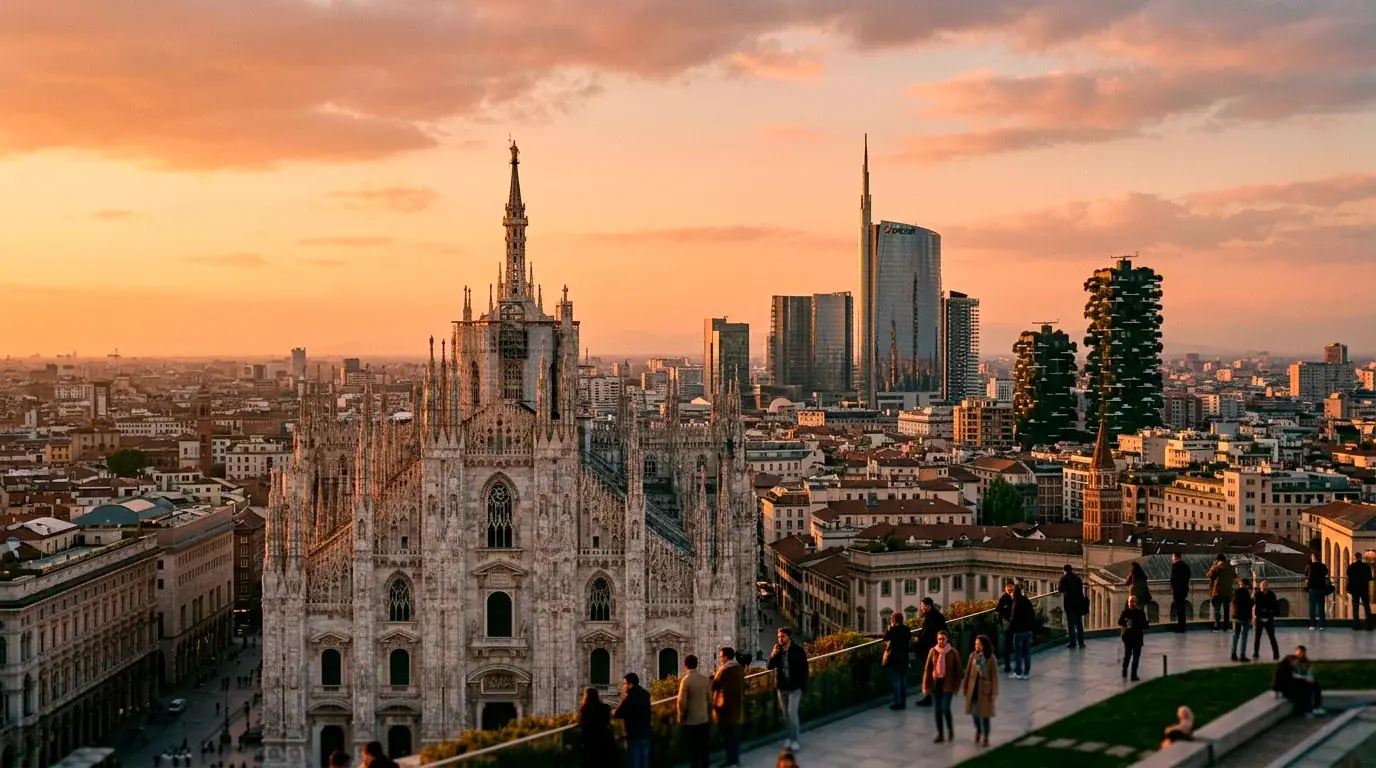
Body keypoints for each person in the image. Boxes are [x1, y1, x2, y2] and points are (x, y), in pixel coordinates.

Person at [767, 627, 809, 752]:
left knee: (792, 714)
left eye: (783, 636)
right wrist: (773, 654)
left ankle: (795, 740)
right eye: (779, 637)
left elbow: (804, 670)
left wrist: (802, 686)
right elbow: (769, 666)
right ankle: (789, 739)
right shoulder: (778, 652)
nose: (780, 639)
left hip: (795, 688)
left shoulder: (798, 651)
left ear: (789, 637)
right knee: (786, 716)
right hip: (782, 688)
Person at [921, 630, 963, 744]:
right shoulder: (933, 651)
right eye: (939, 639)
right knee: (937, 711)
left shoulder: (953, 652)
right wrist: (926, 686)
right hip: (936, 684)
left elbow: (958, 671)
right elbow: (927, 669)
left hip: (948, 685)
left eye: (943, 639)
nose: (941, 641)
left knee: (945, 708)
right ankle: (940, 734)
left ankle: (950, 729)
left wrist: (956, 686)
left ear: (947, 639)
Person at [712, 646, 746, 768]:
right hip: (737, 707)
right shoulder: (740, 668)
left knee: (727, 736)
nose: (720, 659)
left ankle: (731, 761)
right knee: (733, 736)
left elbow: (714, 686)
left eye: (721, 657)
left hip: (725, 708)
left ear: (726, 657)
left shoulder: (724, 670)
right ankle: (734, 760)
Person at [963, 634, 999, 747]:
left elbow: (994, 676)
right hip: (973, 688)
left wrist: (994, 692)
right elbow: (968, 672)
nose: (977, 646)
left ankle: (986, 737)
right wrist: (965, 687)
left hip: (985, 690)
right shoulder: (973, 656)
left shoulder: (991, 658)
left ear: (984, 645)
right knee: (974, 713)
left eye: (979, 644)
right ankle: (979, 729)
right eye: (976, 644)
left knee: (985, 715)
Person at [677, 654, 712, 768]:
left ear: (685, 665)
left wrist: (680, 716)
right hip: (704, 718)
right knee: (704, 748)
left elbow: (682, 702)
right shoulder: (704, 679)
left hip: (691, 721)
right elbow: (710, 699)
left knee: (693, 750)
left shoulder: (686, 681)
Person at [1274, 645, 1327, 716]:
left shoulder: (1303, 662)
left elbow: (1302, 673)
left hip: (1293, 683)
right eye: (1299, 652)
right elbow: (1292, 677)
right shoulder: (1286, 666)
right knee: (1304, 691)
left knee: (1315, 686)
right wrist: (1305, 679)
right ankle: (1307, 710)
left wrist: (1308, 678)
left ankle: (1316, 707)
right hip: (1286, 688)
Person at [613, 672, 652, 768]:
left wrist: (613, 712)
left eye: (624, 684)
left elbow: (618, 714)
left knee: (634, 762)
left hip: (634, 735)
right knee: (644, 762)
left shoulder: (630, 697)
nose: (623, 686)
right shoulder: (645, 694)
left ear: (630, 685)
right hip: (646, 733)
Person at [913, 598, 947, 705]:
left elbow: (926, 633)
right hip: (937, 648)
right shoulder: (938, 616)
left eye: (922, 606)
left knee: (929, 673)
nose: (921, 608)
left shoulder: (930, 617)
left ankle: (928, 698)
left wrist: (917, 640)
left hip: (929, 649)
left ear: (928, 606)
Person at [578, 687, 615, 768]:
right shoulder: (605, 707)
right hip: (604, 741)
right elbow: (608, 721)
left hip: (590, 742)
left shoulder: (584, 710)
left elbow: (583, 725)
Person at [882, 610, 912, 709]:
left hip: (894, 658)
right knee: (903, 681)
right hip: (904, 657)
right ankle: (903, 702)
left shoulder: (893, 629)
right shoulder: (907, 629)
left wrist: (889, 628)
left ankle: (897, 703)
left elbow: (885, 638)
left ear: (893, 620)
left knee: (896, 681)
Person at [1118, 595, 1149, 682]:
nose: (1132, 604)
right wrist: (1126, 623)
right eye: (1130, 602)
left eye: (1133, 602)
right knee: (1130, 655)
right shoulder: (1126, 612)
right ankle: (1127, 672)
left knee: (1134, 656)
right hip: (1130, 637)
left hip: (1135, 637)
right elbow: (1120, 622)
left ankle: (1132, 674)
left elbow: (1145, 625)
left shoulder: (1138, 613)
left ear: (1136, 603)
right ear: (1128, 603)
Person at [1009, 585, 1036, 681]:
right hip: (1028, 630)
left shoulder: (1016, 602)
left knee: (1018, 653)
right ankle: (1026, 672)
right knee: (1027, 652)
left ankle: (1018, 672)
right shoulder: (1026, 600)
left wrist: (1010, 629)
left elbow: (1013, 617)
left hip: (1019, 631)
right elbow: (1032, 613)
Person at [1058, 565, 1086, 649]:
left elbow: (1060, 589)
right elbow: (1081, 591)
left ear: (1065, 570)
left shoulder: (1064, 578)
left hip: (1069, 604)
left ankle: (1073, 643)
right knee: (1079, 624)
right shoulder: (1078, 578)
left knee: (1071, 625)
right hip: (1078, 604)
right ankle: (1081, 642)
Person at [1253, 579, 1281, 661]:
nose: (1264, 589)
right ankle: (1256, 654)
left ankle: (1276, 655)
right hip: (1260, 618)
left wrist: (1268, 611)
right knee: (1257, 638)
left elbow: (1273, 606)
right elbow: (1257, 605)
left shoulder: (1271, 595)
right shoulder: (1257, 594)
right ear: (1260, 587)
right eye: (1263, 587)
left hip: (1269, 618)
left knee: (1272, 637)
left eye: (1266, 587)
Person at [1207, 554, 1236, 631]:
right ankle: (1226, 626)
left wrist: (1213, 567)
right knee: (1226, 610)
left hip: (1217, 591)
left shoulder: (1217, 567)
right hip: (1227, 590)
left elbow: (1210, 575)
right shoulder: (1230, 567)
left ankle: (1217, 625)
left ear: (1218, 560)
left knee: (1217, 609)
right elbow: (1234, 576)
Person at [1346, 553, 1372, 630]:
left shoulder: (1351, 567)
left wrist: (1348, 589)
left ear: (1355, 558)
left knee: (1355, 607)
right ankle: (1369, 625)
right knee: (1366, 606)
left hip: (1354, 589)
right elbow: (1369, 578)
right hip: (1364, 588)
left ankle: (1356, 625)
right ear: (1361, 557)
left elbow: (1349, 578)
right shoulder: (1366, 567)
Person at [1230, 578, 1253, 662]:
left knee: (1235, 636)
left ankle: (1233, 654)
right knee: (1244, 637)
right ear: (1245, 585)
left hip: (1236, 616)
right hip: (1243, 617)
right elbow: (1249, 604)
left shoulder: (1236, 592)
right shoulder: (1245, 593)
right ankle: (1242, 655)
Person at [995, 582, 1016, 673]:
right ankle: (1007, 665)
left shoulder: (1015, 597)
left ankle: (1012, 662)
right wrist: (1005, 615)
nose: (1010, 589)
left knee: (1011, 643)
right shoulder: (1004, 598)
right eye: (1008, 587)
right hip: (1007, 623)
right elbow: (998, 609)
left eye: (1011, 587)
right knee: (1007, 643)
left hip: (1014, 623)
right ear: (1005, 589)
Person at [1306, 552, 1329, 630]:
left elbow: (1306, 573)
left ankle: (1312, 625)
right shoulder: (1323, 566)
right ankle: (1322, 625)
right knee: (1321, 607)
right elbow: (1326, 573)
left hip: (1312, 588)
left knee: (1312, 607)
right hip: (1321, 588)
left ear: (1313, 558)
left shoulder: (1310, 566)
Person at [1170, 553, 1192, 633]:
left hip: (1177, 590)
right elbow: (1188, 576)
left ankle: (1180, 627)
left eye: (1173, 556)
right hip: (1184, 589)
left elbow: (1173, 579)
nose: (1172, 558)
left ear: (1176, 557)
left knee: (1179, 609)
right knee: (1182, 608)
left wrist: (1173, 587)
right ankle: (1183, 626)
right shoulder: (1185, 566)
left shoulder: (1175, 566)